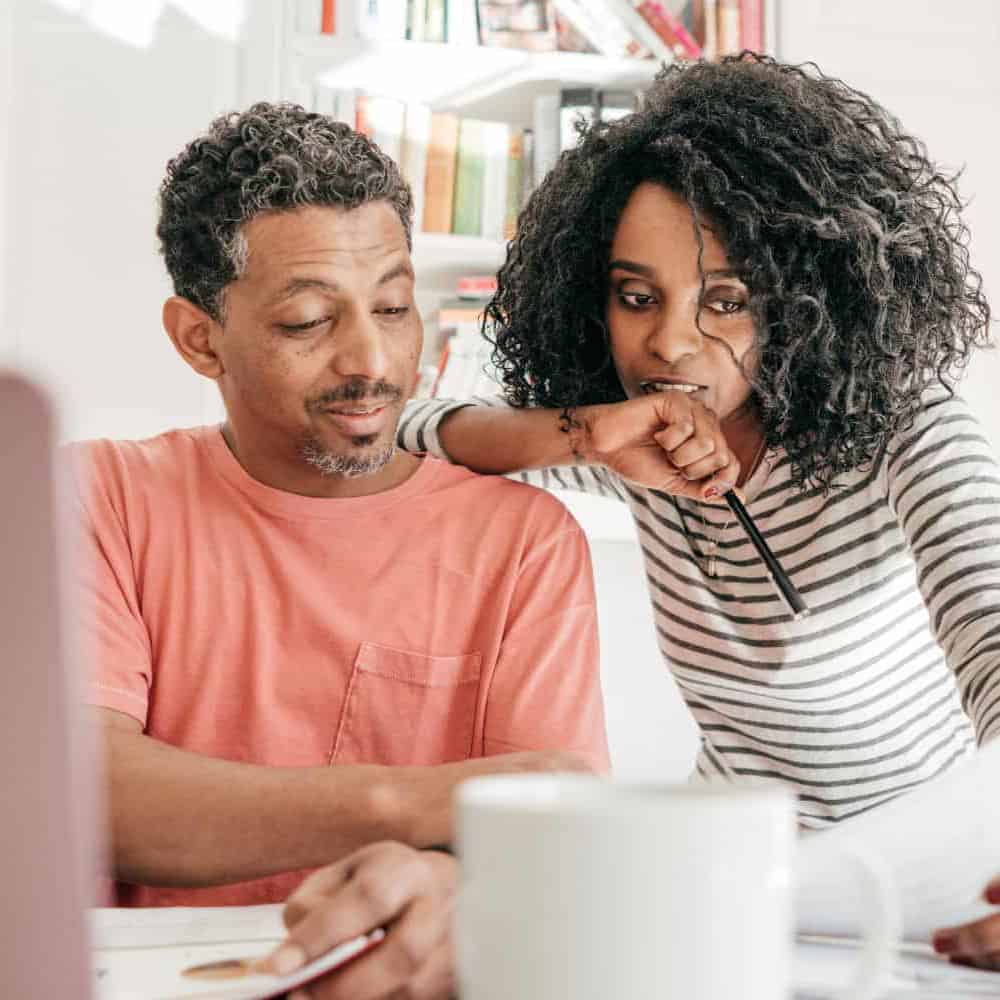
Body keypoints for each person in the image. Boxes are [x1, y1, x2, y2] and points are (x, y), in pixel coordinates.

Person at [264, 53, 1000, 996]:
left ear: (809, 300)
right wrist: (589, 435)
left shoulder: (905, 434)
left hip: (917, 899)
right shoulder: (641, 446)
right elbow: (408, 432)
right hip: (723, 888)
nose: (669, 344)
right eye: (636, 295)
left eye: (725, 301)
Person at [75, 102, 609, 908]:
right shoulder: (103, 499)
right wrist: (409, 804)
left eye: (393, 308)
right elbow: (81, 790)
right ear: (199, 339)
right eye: (308, 320)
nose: (371, 360)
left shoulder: (526, 544)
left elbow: (551, 838)